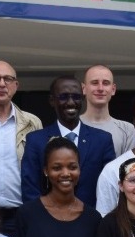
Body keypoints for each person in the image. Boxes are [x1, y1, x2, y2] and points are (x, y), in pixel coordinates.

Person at [21, 76, 114, 210]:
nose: (71, 102)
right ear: (52, 100)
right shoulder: (36, 140)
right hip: (48, 223)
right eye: (64, 97)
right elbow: (30, 188)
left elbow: (109, 187)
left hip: (92, 222)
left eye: (76, 97)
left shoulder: (102, 140)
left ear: (83, 98)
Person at [0, 59, 41, 237]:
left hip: (21, 214)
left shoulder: (32, 123)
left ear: (15, 85)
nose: (1, 84)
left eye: (8, 79)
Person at [82, 64, 135, 157]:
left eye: (106, 83)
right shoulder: (72, 127)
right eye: (95, 83)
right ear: (84, 88)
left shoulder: (127, 130)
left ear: (113, 89)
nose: (100, 88)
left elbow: (129, 167)